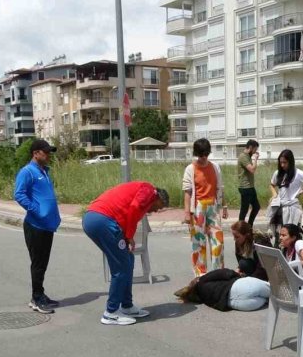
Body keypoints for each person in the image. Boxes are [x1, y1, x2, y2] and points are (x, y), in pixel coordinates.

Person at [83, 182, 170, 326]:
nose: (155, 211)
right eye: (158, 207)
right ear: (158, 198)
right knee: (121, 266)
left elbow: (131, 213)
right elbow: (134, 208)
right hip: (102, 220)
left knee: (128, 259)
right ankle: (110, 313)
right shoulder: (149, 191)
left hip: (97, 219)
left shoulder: (146, 193)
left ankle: (127, 306)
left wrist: (127, 235)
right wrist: (129, 236)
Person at [14, 139, 62, 314]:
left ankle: (40, 293)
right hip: (35, 225)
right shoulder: (28, 171)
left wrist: (54, 217)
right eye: (46, 152)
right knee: (38, 263)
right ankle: (36, 298)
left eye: (49, 152)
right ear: (36, 153)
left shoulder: (44, 171)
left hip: (47, 225)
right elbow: (19, 194)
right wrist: (37, 210)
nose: (48, 155)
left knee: (43, 263)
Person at [183, 138, 227, 277]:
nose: (203, 157)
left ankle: (218, 274)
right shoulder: (190, 169)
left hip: (213, 206)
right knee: (198, 244)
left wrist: (224, 205)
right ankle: (200, 276)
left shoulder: (215, 167)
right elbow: (187, 191)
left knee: (218, 242)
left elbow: (220, 187)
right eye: (200, 154)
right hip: (198, 208)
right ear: (196, 153)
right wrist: (187, 214)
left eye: (206, 154)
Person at [267, 149, 303, 244]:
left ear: (290, 162)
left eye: (285, 162)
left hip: (292, 209)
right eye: (281, 162)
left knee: (291, 236)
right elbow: (271, 184)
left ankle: (295, 255)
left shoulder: (298, 173)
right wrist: (274, 194)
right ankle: (280, 254)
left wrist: (301, 192)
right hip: (279, 208)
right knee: (279, 236)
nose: (282, 165)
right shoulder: (278, 173)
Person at [174, 269, 270, 312]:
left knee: (266, 300)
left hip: (240, 305)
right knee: (274, 291)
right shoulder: (203, 280)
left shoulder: (202, 299)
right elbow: (225, 273)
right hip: (239, 287)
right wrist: (238, 275)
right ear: (196, 281)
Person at [237, 139, 261, 224]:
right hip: (245, 187)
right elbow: (252, 170)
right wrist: (255, 159)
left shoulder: (247, 156)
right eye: (255, 150)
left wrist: (253, 158)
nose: (255, 152)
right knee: (244, 209)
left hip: (250, 187)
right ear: (250, 147)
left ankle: (249, 226)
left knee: (256, 207)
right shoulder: (243, 156)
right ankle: (240, 229)